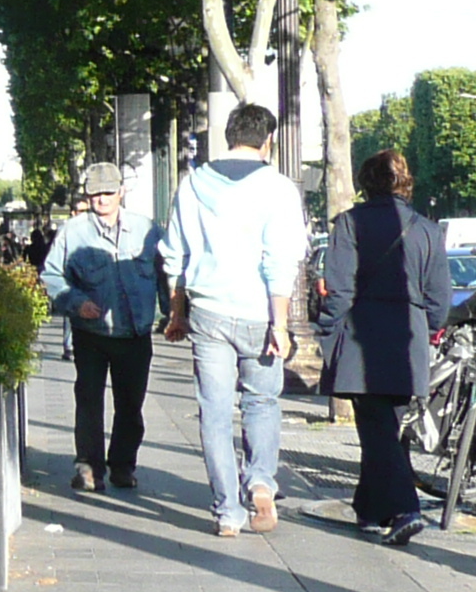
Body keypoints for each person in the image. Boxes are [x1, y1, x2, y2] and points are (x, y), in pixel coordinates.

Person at [163, 100, 310, 540]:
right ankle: (261, 482)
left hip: (208, 311)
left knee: (214, 411)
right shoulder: (279, 188)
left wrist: (177, 311)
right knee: (261, 402)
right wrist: (279, 325)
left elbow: (175, 252)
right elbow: (281, 260)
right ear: (268, 141)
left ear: (228, 137)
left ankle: (228, 511)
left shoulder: (193, 184)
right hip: (258, 314)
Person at [318, 147, 453, 546]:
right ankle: (370, 507)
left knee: (377, 429)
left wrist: (328, 332)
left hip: (363, 335)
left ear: (366, 181)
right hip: (407, 339)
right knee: (383, 424)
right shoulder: (428, 230)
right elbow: (439, 301)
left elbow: (339, 290)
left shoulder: (348, 224)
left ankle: (404, 508)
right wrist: (421, 328)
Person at [41, 163, 163, 494]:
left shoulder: (147, 230)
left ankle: (123, 465)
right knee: (89, 400)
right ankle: (88, 467)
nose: (102, 199)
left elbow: (166, 274)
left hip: (134, 334)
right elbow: (51, 275)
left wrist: (174, 314)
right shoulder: (73, 232)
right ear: (87, 195)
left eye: (108, 192)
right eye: (95, 193)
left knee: (130, 405)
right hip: (90, 334)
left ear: (121, 191)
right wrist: (76, 301)